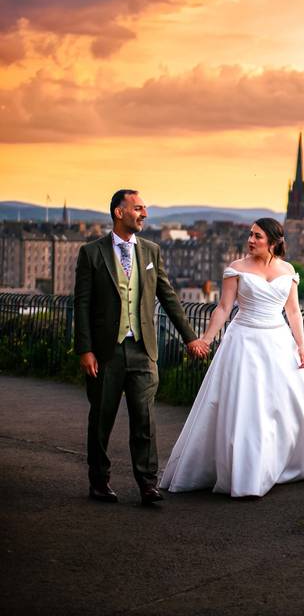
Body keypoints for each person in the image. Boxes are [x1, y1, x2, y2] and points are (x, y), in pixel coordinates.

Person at [160, 218, 304, 497]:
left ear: (274, 242)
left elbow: (293, 311)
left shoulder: (288, 270)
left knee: (280, 407)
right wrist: (206, 338)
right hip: (244, 340)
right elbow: (223, 308)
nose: (251, 240)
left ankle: (277, 463)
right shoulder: (236, 269)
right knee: (248, 406)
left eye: (257, 236)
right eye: (250, 235)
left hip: (278, 341)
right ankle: (247, 471)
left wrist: (301, 346)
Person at [74, 189, 210, 506]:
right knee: (101, 419)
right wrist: (85, 349)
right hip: (105, 351)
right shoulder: (91, 252)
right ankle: (99, 481)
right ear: (119, 213)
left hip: (142, 349)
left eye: (145, 208)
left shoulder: (151, 251)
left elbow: (168, 295)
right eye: (138, 208)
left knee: (145, 419)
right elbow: (82, 304)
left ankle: (148, 483)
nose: (144, 213)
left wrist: (190, 337)